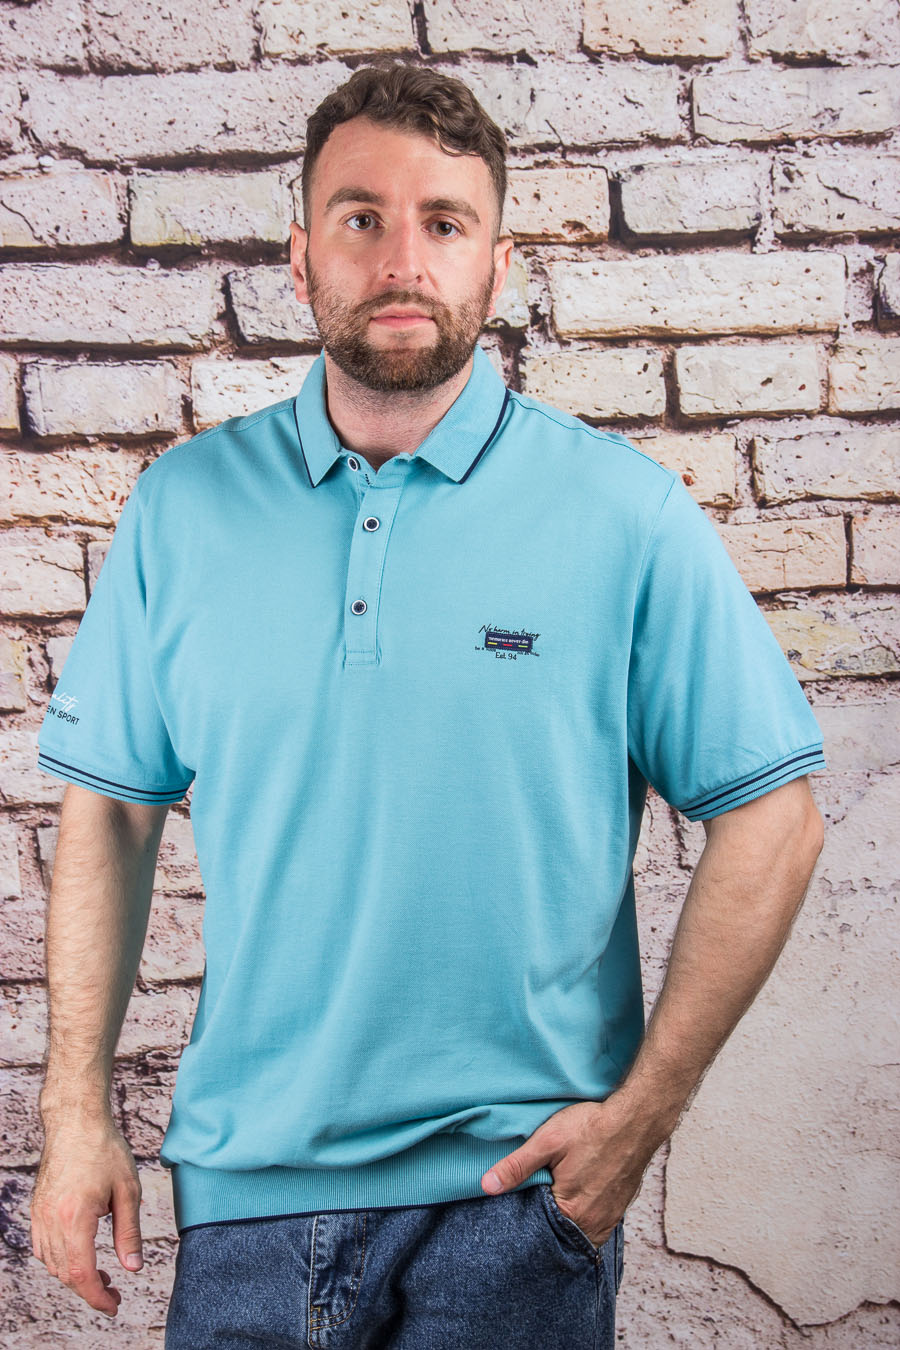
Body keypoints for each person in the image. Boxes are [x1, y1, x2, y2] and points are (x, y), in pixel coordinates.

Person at [30, 60, 826, 1350]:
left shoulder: (622, 512)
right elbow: (110, 814)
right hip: (242, 1205)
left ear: (497, 268)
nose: (403, 260)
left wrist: (640, 1121)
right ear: (301, 256)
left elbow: (774, 817)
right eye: (362, 218)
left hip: (515, 1206)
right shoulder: (183, 507)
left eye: (444, 223)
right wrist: (75, 1115)